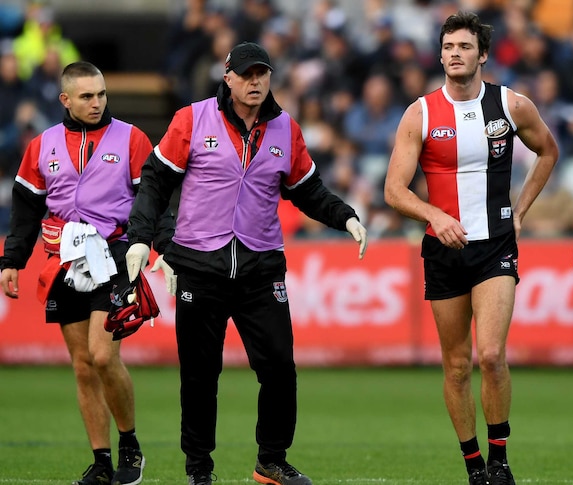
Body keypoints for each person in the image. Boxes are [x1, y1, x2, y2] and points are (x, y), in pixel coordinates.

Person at [123, 41, 368, 485]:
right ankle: (199, 469)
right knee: (200, 376)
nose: (255, 82)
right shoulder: (192, 119)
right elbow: (156, 183)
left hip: (261, 268)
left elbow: (308, 190)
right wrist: (142, 239)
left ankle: (271, 461)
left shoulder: (286, 128)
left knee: (279, 368)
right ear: (228, 76)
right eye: (247, 74)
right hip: (200, 265)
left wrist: (345, 215)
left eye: (263, 74)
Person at [384, 11, 559, 485]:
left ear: (482, 55)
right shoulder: (419, 112)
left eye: (464, 47)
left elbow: (548, 151)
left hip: (495, 246)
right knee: (457, 365)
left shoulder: (512, 105)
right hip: (443, 251)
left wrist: (520, 210)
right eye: (448, 47)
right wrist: (434, 216)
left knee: (491, 355)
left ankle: (500, 458)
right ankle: (473, 465)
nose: (454, 55)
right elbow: (394, 191)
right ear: (439, 55)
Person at [0, 61, 170, 485]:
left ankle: (129, 442)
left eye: (102, 94)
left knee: (101, 354)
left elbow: (152, 198)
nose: (97, 103)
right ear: (66, 100)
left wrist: (162, 247)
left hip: (114, 254)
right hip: (63, 260)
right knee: (81, 365)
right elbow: (25, 210)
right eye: (87, 96)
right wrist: (11, 260)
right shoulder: (42, 145)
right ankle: (100, 461)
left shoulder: (131, 138)